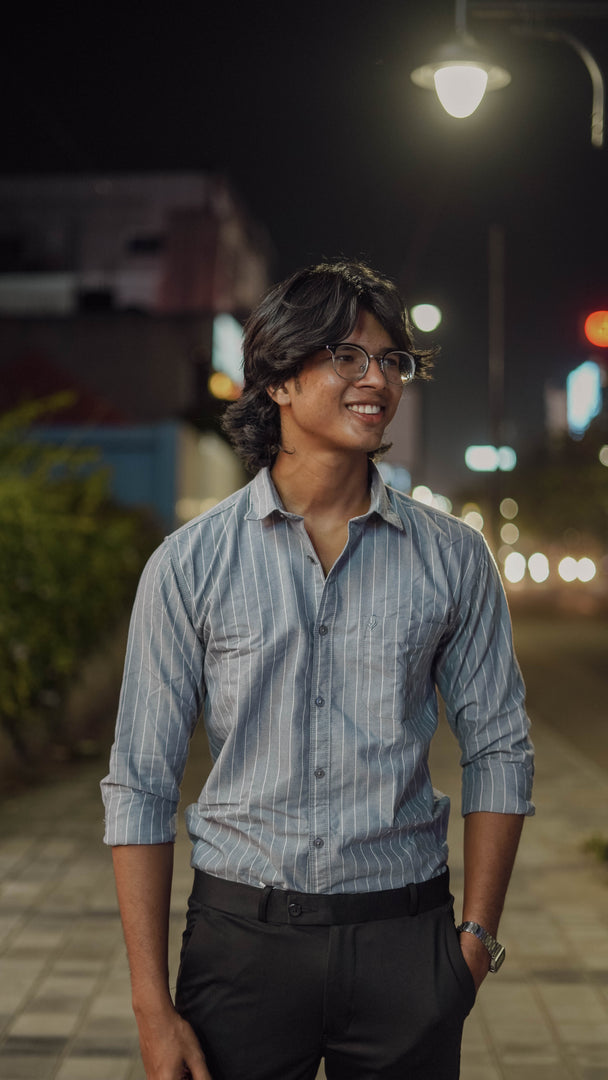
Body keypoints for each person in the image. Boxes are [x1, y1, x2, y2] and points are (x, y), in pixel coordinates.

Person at [101, 258, 534, 1080]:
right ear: (279, 382)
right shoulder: (189, 565)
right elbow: (140, 786)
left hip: (408, 947)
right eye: (347, 357)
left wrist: (472, 945)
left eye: (390, 361)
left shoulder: (453, 559)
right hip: (240, 948)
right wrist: (151, 1007)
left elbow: (501, 750)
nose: (378, 379)